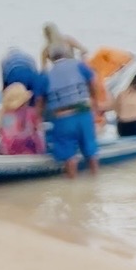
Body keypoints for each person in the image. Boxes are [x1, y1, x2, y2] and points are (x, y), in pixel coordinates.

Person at [41, 43, 100, 178]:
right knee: (91, 150)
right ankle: (95, 179)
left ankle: (72, 182)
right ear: (66, 53)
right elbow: (93, 81)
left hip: (63, 117)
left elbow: (41, 100)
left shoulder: (47, 75)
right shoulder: (79, 65)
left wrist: (38, 118)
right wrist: (94, 102)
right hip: (83, 113)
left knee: (69, 156)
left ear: (50, 58)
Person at [0, 82, 45, 155]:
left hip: (9, 152)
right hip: (29, 152)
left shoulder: (3, 115)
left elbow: (6, 136)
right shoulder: (30, 113)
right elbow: (40, 134)